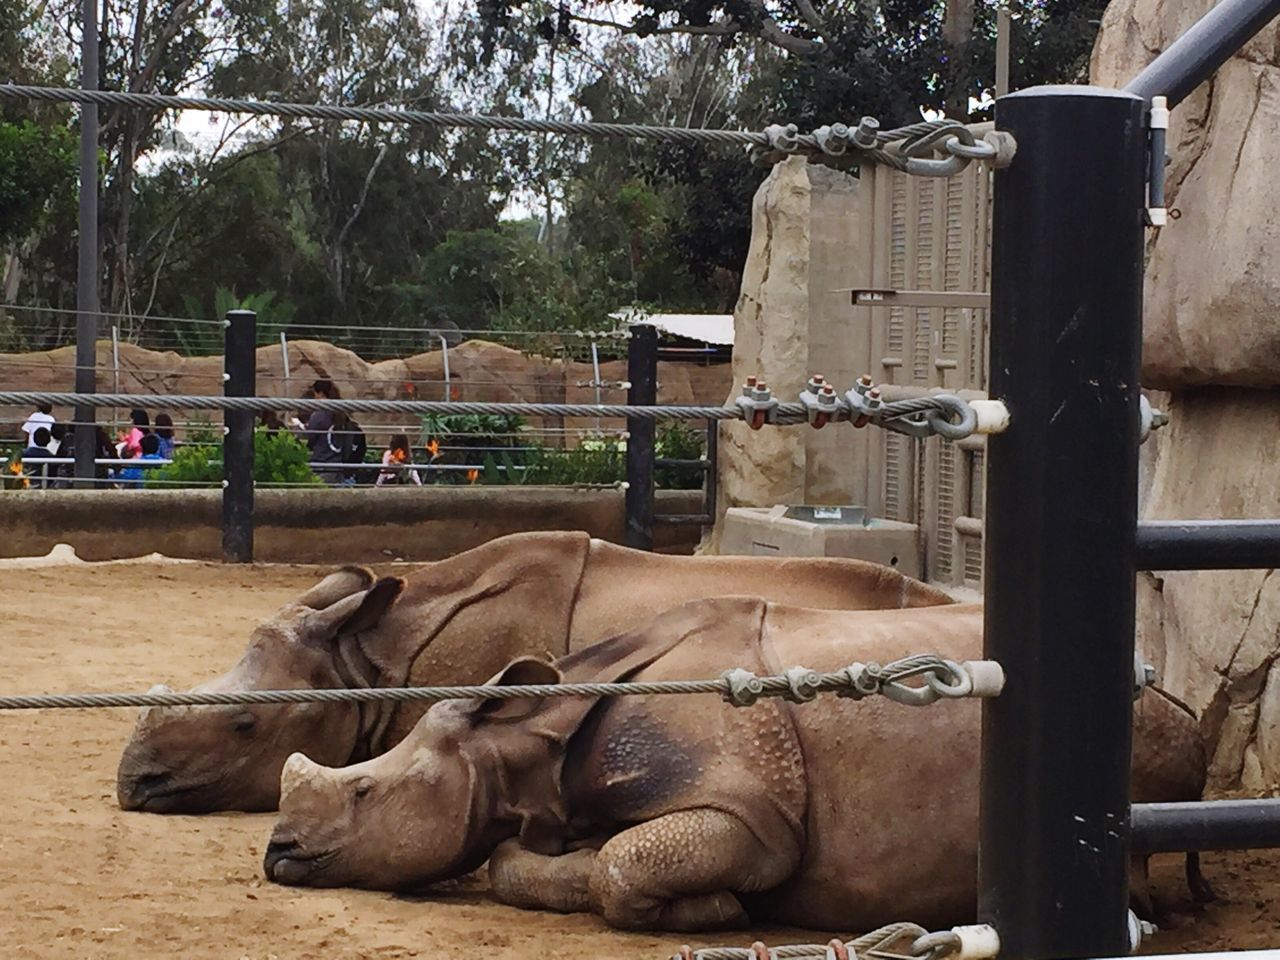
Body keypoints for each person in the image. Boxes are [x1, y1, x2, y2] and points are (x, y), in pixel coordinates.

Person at [291, 379, 350, 485]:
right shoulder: (341, 413)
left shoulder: (320, 414)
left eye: (315, 394)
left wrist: (298, 429)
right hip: (337, 465)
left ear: (320, 393)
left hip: (321, 466)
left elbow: (309, 439)